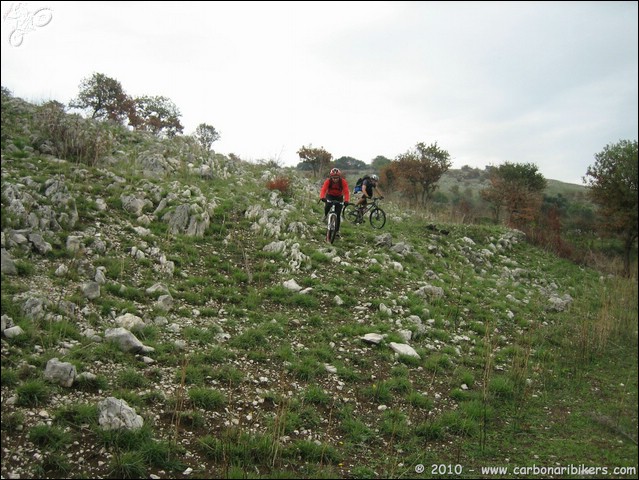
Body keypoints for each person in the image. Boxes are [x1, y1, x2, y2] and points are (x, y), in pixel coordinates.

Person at [320, 168, 350, 238]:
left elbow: (346, 192)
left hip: (339, 197)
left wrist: (346, 200)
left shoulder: (343, 182)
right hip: (330, 196)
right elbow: (323, 189)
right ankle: (325, 215)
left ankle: (337, 231)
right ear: (331, 177)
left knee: (338, 214)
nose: (335, 179)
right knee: (327, 206)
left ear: (339, 177)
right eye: (333, 178)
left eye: (336, 178)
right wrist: (322, 197)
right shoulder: (328, 181)